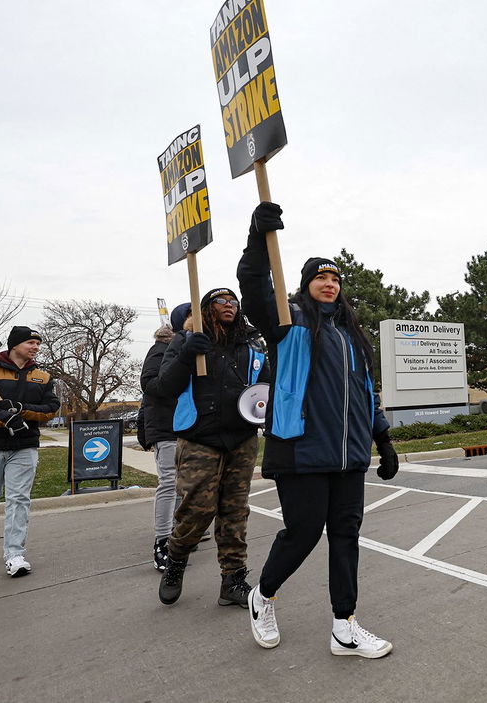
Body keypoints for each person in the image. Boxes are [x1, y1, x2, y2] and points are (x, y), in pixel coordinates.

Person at [237, 202, 400, 659]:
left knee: (346, 537)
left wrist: (382, 438)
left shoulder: (351, 336)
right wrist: (256, 238)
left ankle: (344, 626)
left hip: (348, 455)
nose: (329, 285)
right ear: (306, 287)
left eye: (335, 280)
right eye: (320, 279)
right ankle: (263, 595)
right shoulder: (288, 324)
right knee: (304, 533)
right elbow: (252, 285)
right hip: (301, 451)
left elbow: (366, 393)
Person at [155, 287, 270, 608]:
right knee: (198, 509)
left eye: (234, 302)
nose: (230, 306)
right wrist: (188, 353)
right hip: (199, 437)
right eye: (222, 301)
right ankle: (176, 560)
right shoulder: (186, 340)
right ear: (206, 308)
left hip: (242, 437)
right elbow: (163, 387)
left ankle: (233, 579)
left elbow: (265, 387)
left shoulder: (251, 345)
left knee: (235, 511)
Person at [0, 326, 61, 577]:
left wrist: (20, 409)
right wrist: (5, 419)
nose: (36, 347)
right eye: (31, 342)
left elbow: (50, 408)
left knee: (19, 499)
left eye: (38, 343)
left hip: (24, 446)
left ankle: (15, 554)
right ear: (15, 345)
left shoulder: (42, 377)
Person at [136, 302, 191, 571]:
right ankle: (162, 541)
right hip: (167, 426)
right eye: (192, 316)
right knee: (169, 482)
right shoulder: (160, 351)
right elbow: (150, 385)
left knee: (184, 483)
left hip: (189, 426)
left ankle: (179, 532)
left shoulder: (192, 347)